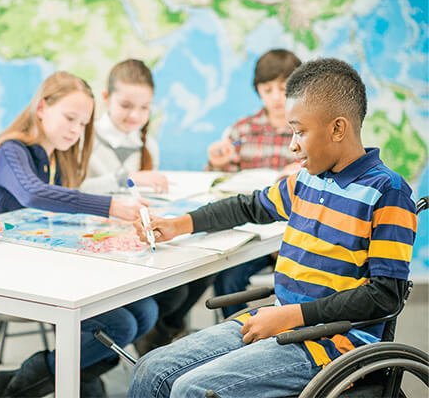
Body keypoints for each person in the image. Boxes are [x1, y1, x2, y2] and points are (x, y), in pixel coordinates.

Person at [127, 58, 417, 397]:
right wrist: (179, 224)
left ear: (338, 129)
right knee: (150, 370)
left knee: (192, 390)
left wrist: (294, 316)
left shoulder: (388, 192)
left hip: (332, 344)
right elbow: (248, 206)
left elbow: (385, 296)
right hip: (281, 319)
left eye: (300, 131)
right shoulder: (306, 181)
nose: (292, 144)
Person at [0, 71, 158, 397]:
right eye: (69, 118)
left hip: (46, 260)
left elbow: (55, 216)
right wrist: (109, 206)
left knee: (146, 312)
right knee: (121, 325)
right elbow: (35, 195)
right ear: (42, 107)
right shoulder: (10, 150)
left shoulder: (57, 157)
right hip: (6, 266)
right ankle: (27, 387)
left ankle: (16, 382)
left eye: (83, 123)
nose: (76, 130)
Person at [207, 49, 302, 317]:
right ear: (258, 90)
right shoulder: (243, 130)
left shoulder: (306, 130)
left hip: (294, 233)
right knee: (227, 281)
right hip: (252, 232)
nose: (275, 97)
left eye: (283, 89)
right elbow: (220, 186)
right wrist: (217, 163)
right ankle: (239, 339)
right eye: (267, 89)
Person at [80, 58, 168, 194]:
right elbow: (71, 189)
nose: (135, 116)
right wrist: (124, 178)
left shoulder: (150, 146)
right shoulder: (83, 138)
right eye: (126, 105)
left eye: (144, 107)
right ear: (106, 97)